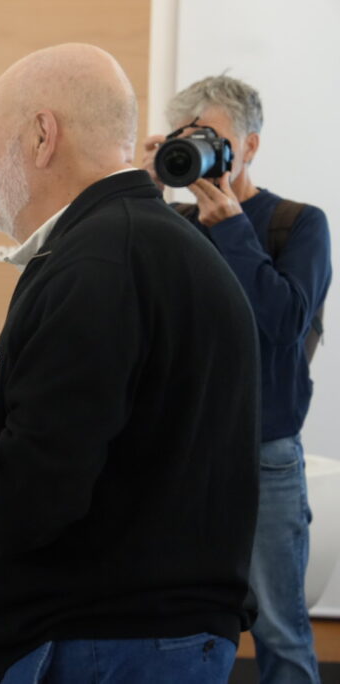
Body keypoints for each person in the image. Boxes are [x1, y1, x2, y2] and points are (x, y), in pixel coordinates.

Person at [0, 44, 261, 683]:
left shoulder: (97, 266)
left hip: (102, 647)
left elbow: (28, 505)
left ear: (43, 135)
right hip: (151, 639)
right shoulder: (159, 246)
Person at [142, 75, 332, 683]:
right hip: (180, 452)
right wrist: (138, 194)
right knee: (176, 625)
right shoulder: (166, 222)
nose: (200, 154)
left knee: (280, 629)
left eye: (214, 140)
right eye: (186, 140)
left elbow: (283, 322)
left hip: (264, 454)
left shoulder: (296, 224)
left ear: (248, 147)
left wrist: (230, 225)